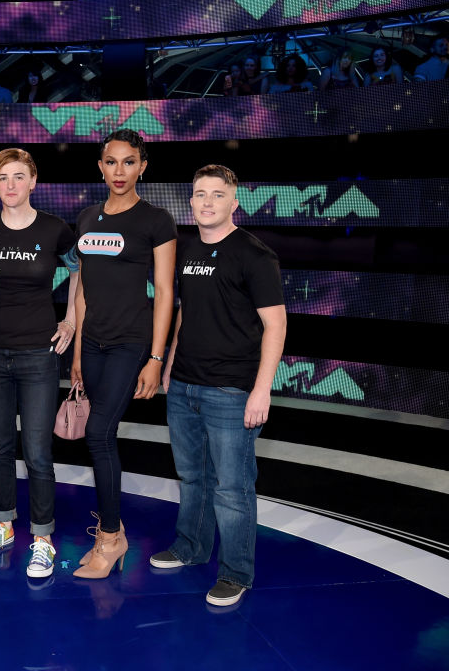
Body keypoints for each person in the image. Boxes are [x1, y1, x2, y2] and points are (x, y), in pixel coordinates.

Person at [150, 164, 286, 607]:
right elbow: (186, 312)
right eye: (199, 194)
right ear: (190, 201)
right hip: (186, 384)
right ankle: (190, 548)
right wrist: (170, 364)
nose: (206, 202)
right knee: (192, 477)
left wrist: (262, 389)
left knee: (232, 487)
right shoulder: (188, 248)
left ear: (234, 201)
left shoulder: (254, 254)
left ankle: (236, 573)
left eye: (216, 194)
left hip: (233, 391)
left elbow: (275, 325)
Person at [70, 130, 176, 579]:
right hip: (91, 343)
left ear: (142, 166)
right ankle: (113, 532)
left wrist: (155, 358)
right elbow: (82, 293)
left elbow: (167, 292)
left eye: (128, 162)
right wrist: (76, 353)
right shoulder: (87, 218)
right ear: (100, 166)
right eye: (111, 162)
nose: (119, 171)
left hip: (131, 343)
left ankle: (111, 538)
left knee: (97, 432)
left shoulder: (156, 221)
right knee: (104, 437)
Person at [0, 148, 78, 579]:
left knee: (37, 451)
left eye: (20, 177)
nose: (11, 185)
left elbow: (80, 270)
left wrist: (71, 318)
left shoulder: (55, 229)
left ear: (34, 182)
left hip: (39, 353)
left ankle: (42, 539)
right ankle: (3, 525)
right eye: (3, 178)